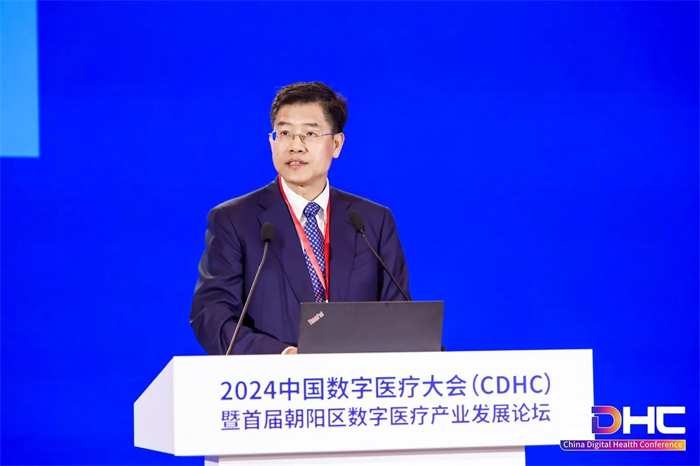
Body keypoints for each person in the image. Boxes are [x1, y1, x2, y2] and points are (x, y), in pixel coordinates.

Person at [190, 81, 410, 355]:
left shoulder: (372, 221)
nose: (296, 146)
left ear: (336, 144)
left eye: (310, 134)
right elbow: (211, 315)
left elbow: (399, 314)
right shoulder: (233, 219)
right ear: (272, 141)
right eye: (284, 133)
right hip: (274, 378)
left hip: (357, 378)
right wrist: (283, 357)